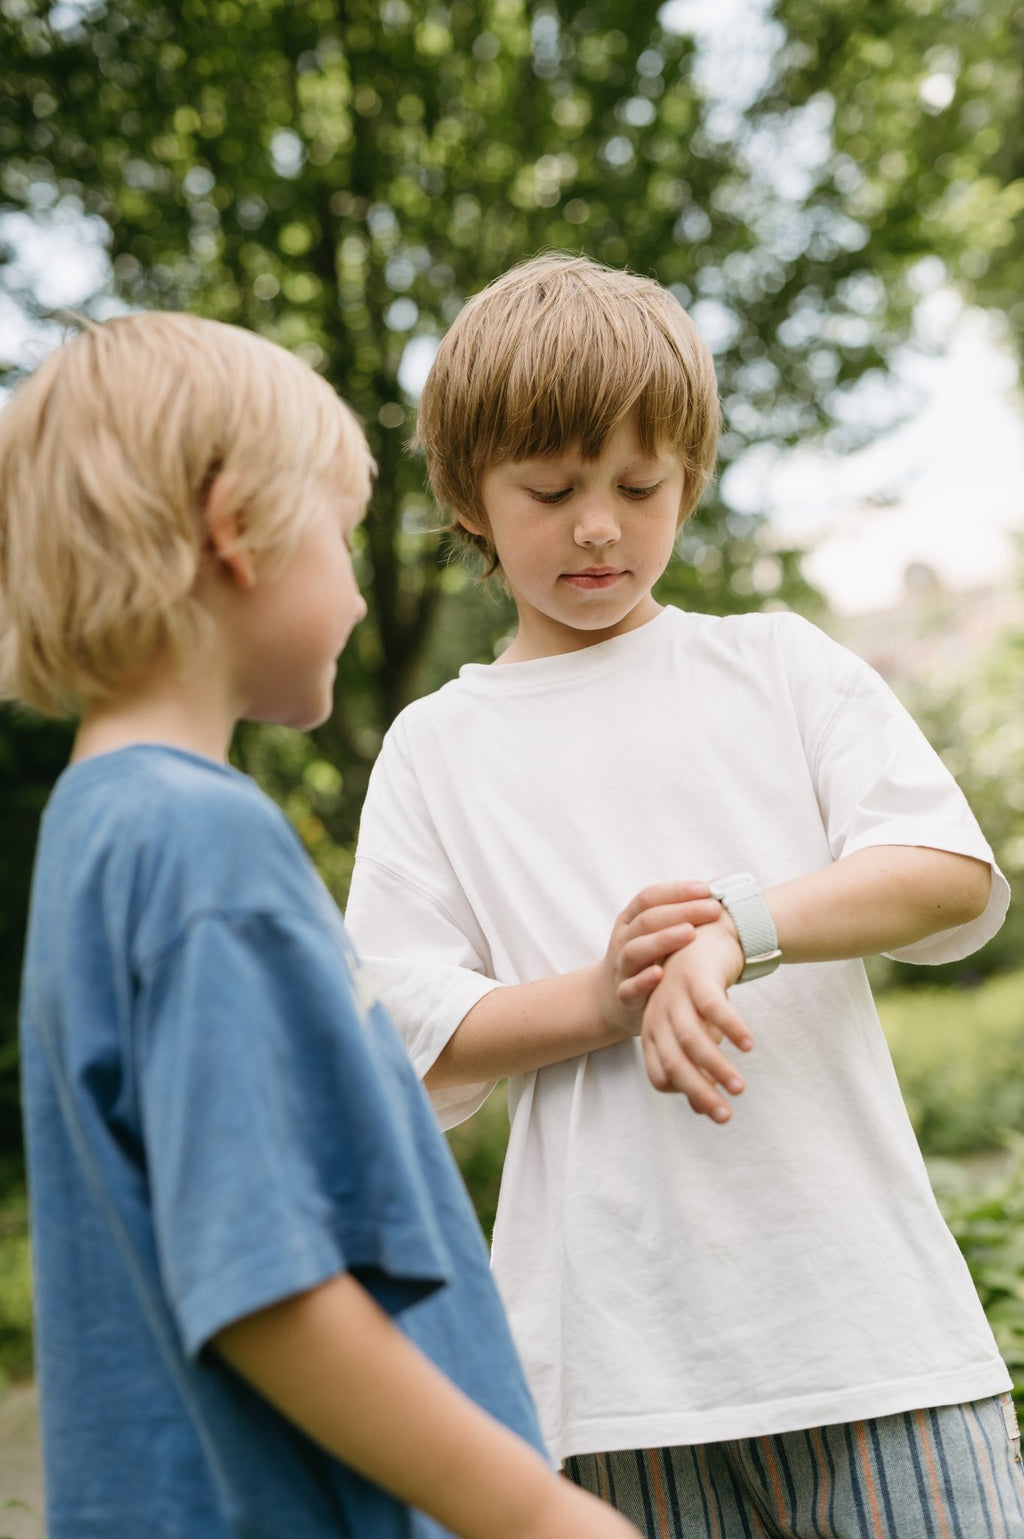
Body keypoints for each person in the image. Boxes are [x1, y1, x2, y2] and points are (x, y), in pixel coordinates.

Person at [344, 254, 1024, 1538]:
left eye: (638, 484)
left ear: (690, 479)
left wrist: (733, 932)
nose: (598, 525)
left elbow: (945, 870)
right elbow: (397, 1028)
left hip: (869, 1334)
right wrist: (604, 1000)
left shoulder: (772, 665)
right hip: (610, 1382)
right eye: (550, 490)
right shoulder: (439, 746)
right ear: (468, 498)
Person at [0, 310, 647, 1539]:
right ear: (237, 530)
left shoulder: (99, 827)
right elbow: (264, 1284)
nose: (358, 593)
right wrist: (547, 1519)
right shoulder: (201, 845)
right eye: (344, 541)